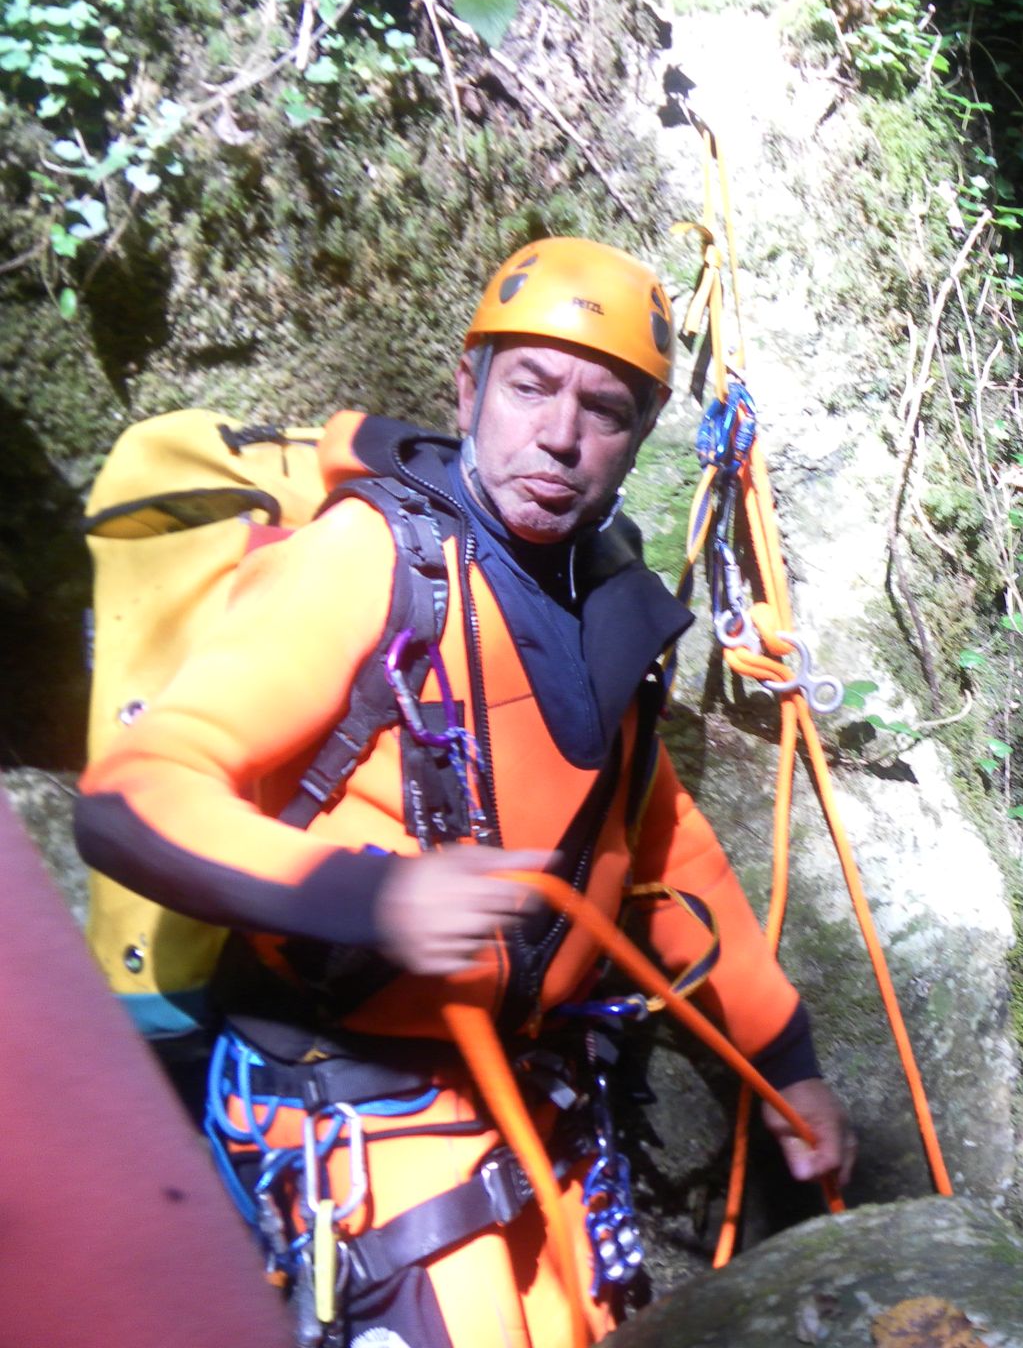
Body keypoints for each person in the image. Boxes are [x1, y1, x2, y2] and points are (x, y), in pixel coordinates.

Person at [74, 237, 852, 1346]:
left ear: (636, 439)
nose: (560, 432)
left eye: (606, 406)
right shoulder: (369, 560)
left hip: (533, 1106)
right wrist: (372, 897)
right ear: (469, 388)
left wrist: (787, 1070)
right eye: (530, 385)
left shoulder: (611, 609)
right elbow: (137, 795)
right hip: (353, 1101)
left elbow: (663, 854)